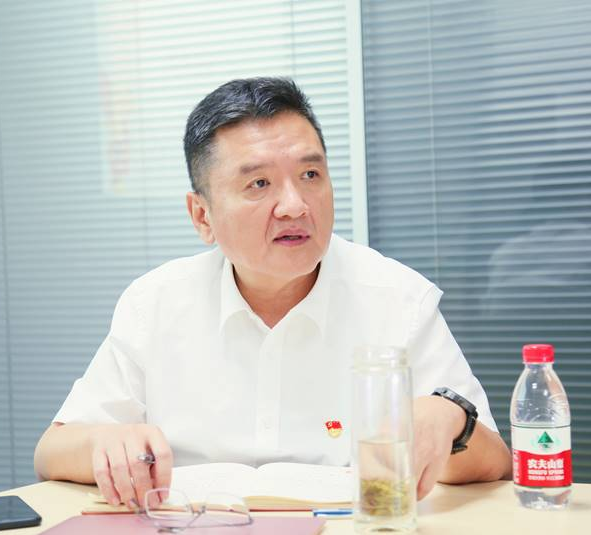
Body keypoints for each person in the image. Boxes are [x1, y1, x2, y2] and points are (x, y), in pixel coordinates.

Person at [34, 77, 511, 509]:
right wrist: (103, 443)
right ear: (201, 215)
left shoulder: (397, 299)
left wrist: (452, 419)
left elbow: (495, 464)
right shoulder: (154, 303)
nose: (295, 205)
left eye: (310, 175)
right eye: (259, 183)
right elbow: (51, 451)